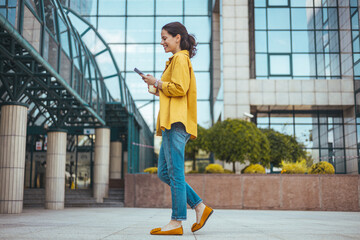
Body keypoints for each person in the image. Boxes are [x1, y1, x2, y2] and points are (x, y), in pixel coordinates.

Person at [142, 22, 213, 236]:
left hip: (176, 122)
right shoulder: (177, 61)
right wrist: (155, 85)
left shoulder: (180, 59)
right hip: (171, 122)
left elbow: (180, 88)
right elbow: (172, 89)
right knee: (166, 172)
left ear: (177, 38)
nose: (162, 42)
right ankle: (199, 207)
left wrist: (158, 83)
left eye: (165, 38)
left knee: (175, 173)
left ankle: (177, 221)